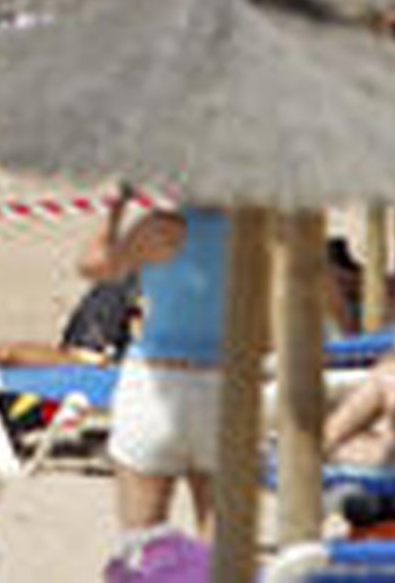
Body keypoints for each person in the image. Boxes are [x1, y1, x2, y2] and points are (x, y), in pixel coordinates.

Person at [79, 193, 230, 534]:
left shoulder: (159, 228)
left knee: (142, 543)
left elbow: (93, 266)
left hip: (157, 380)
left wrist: (114, 211)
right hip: (225, 382)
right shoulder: (260, 232)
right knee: (224, 546)